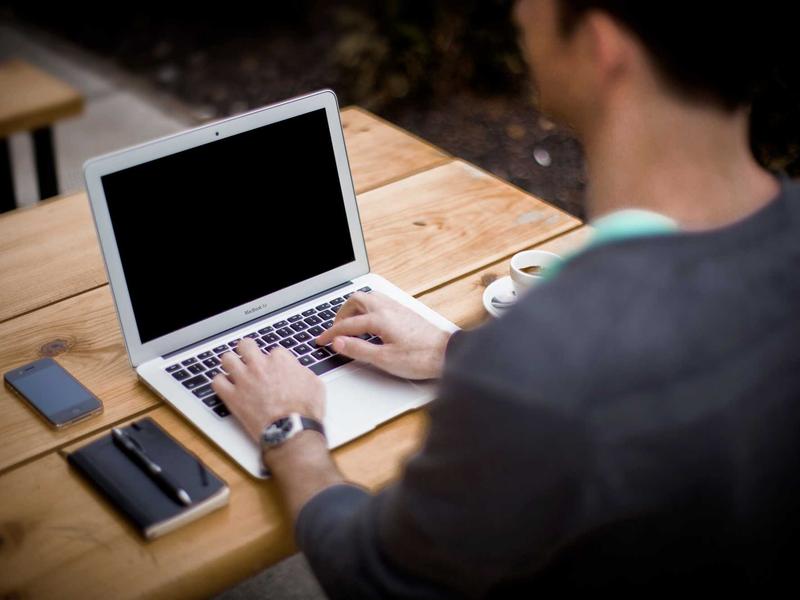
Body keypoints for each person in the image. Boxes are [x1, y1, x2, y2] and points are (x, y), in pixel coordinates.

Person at [211, 0, 799, 596]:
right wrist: (453, 350)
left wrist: (290, 430)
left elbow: (374, 577)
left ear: (601, 45)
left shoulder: (547, 358)